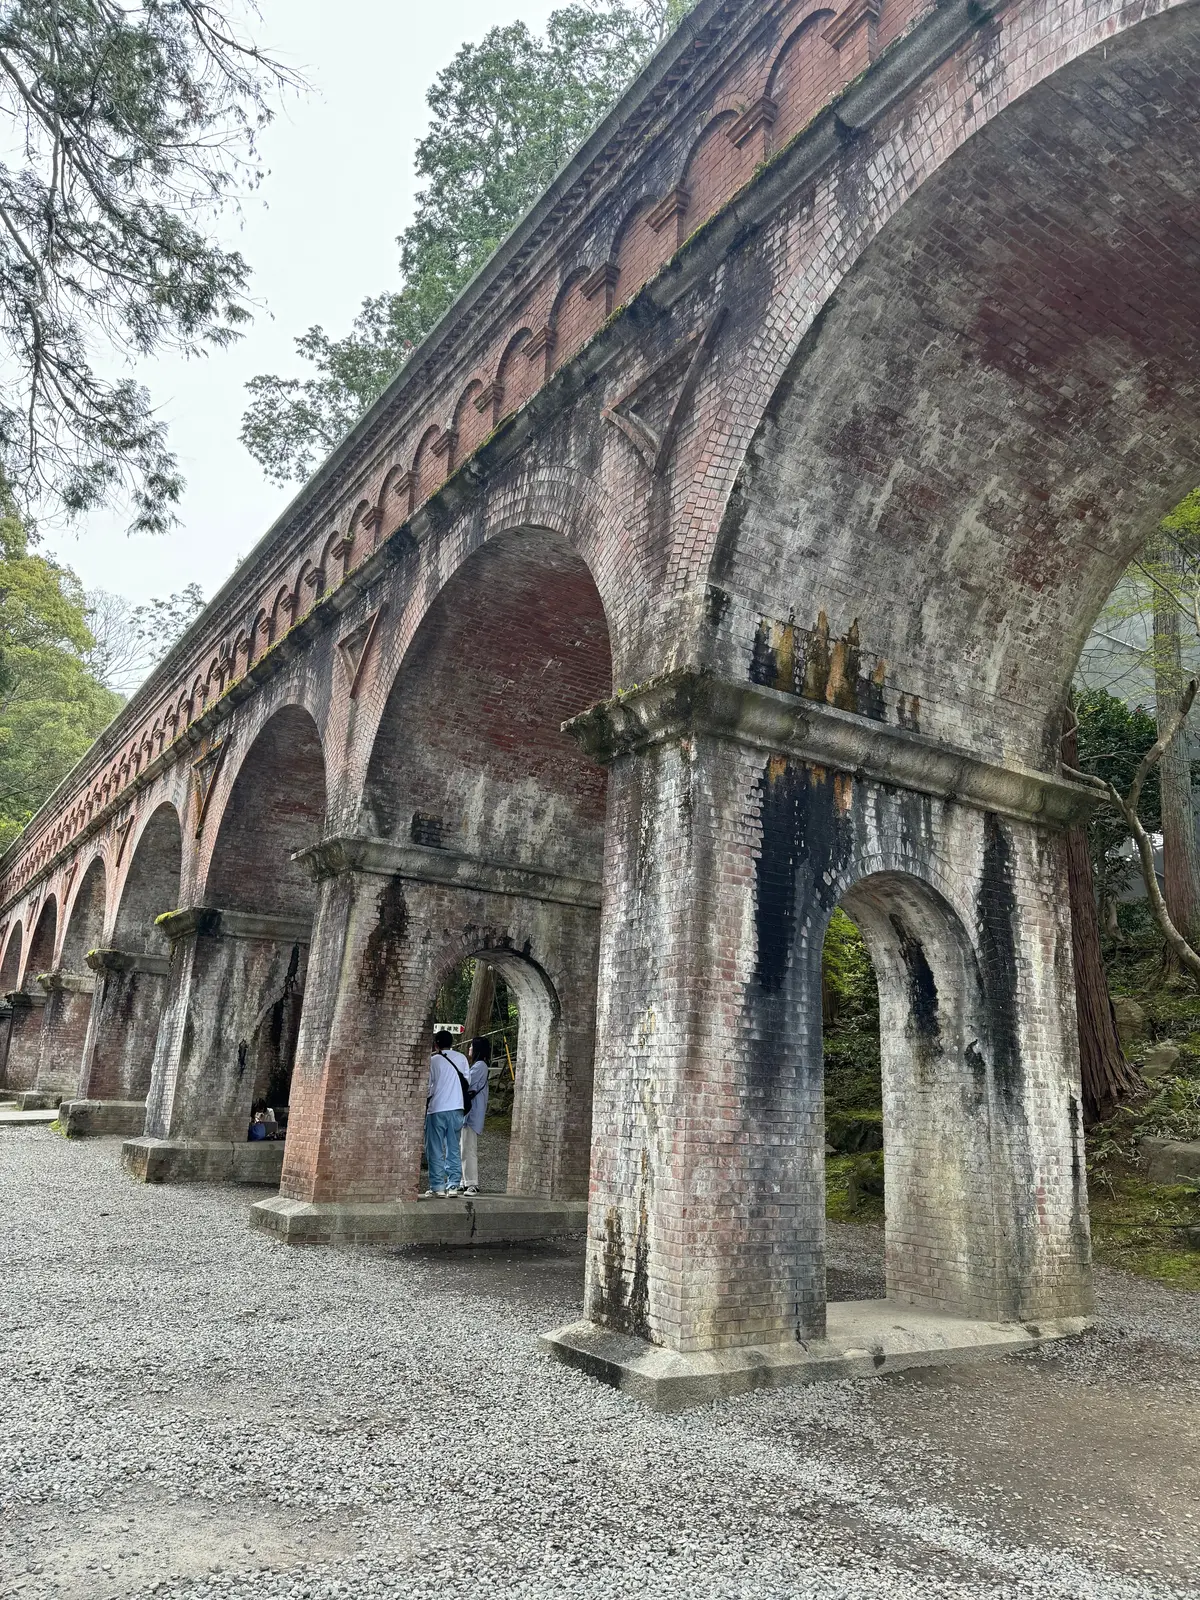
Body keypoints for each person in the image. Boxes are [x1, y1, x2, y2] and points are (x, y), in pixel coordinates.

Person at [420, 1029, 465, 1198]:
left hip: (437, 1109)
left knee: (435, 1149)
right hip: (457, 1107)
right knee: (453, 1148)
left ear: (436, 1044)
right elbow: (466, 1081)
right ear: (451, 1043)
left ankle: (437, 1186)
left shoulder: (433, 1061)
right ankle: (453, 1185)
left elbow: (428, 1087)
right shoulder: (461, 1059)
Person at [459, 1036, 491, 1196]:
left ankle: (472, 1183)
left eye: (471, 1047)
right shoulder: (481, 1065)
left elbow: (467, 1083)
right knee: (464, 1147)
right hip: (471, 1114)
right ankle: (464, 1181)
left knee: (469, 1148)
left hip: (472, 1115)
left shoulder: (479, 1066)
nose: (469, 1049)